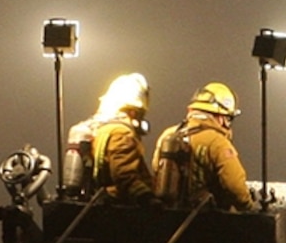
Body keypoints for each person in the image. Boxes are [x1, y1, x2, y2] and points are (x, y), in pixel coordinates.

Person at [152, 81, 254, 209]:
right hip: (205, 220)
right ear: (221, 117)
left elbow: (156, 170)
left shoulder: (168, 135)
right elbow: (235, 185)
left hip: (168, 216)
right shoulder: (217, 143)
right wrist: (249, 207)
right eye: (229, 119)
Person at [64, 73, 155, 200]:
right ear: (133, 112)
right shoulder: (122, 133)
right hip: (118, 207)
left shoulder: (98, 128)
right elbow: (125, 176)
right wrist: (148, 197)